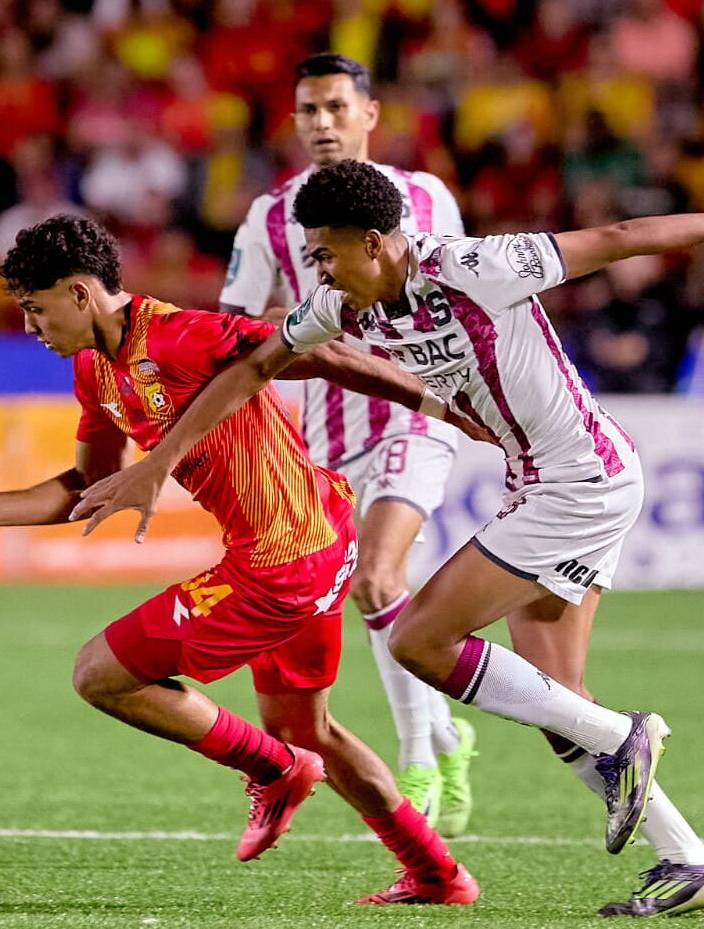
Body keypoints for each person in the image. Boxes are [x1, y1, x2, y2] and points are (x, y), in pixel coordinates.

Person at [75, 160, 704, 916]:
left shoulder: (477, 264)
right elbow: (256, 366)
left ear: (375, 242)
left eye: (326, 252)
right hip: (552, 481)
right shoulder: (345, 306)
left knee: (417, 638)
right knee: (557, 701)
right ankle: (688, 857)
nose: (318, 269)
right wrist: (162, 462)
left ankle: (624, 733)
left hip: (576, 481)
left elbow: (620, 235)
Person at [0, 215, 480, 905]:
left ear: (80, 294)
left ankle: (274, 771)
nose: (30, 326)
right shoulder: (95, 371)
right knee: (307, 727)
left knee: (100, 673)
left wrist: (437, 404)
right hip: (311, 541)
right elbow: (91, 484)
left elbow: (314, 350)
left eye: (35, 307)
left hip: (285, 561)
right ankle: (438, 873)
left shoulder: (181, 334)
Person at [220, 52, 476, 834]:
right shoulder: (269, 217)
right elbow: (237, 325)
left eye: (336, 107)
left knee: (376, 577)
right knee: (366, 596)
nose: (323, 123)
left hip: (415, 413)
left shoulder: (425, 196)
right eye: (309, 111)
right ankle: (445, 731)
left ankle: (419, 759)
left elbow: (461, 296)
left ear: (371, 113)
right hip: (325, 435)